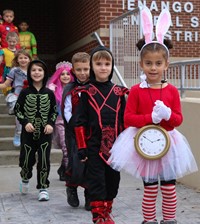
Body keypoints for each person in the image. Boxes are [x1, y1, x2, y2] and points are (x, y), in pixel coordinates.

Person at [108, 7, 198, 224]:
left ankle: (169, 220)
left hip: (168, 144)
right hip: (145, 143)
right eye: (148, 63)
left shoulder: (171, 91)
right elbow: (129, 118)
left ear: (166, 64)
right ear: (142, 64)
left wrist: (167, 115)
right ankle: (148, 220)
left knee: (168, 187)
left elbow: (177, 120)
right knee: (149, 190)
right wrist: (152, 118)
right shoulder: (137, 90)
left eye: (158, 63)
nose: (153, 68)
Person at [73, 46, 129, 223]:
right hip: (94, 148)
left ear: (112, 66)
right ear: (92, 66)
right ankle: (99, 217)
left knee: (113, 183)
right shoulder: (85, 92)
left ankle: (107, 212)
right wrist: (82, 148)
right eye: (98, 64)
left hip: (116, 149)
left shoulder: (120, 93)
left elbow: (125, 121)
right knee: (97, 183)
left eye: (107, 63)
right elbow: (79, 122)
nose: (103, 67)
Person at [14, 59, 57, 201]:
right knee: (27, 159)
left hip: (45, 132)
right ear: (29, 73)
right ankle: (25, 177)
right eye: (33, 70)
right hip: (28, 133)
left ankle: (43, 187)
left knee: (44, 160)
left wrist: (51, 123)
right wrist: (25, 122)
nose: (37, 72)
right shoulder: (25, 93)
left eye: (40, 70)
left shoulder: (49, 93)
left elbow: (54, 111)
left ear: (45, 73)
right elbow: (18, 110)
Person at [62, 52, 91, 210]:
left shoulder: (93, 87)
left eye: (86, 69)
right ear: (73, 70)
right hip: (74, 132)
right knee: (76, 162)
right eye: (79, 69)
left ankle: (89, 194)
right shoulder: (69, 88)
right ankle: (71, 187)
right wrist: (74, 124)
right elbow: (67, 110)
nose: (82, 73)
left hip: (90, 132)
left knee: (91, 164)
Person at [47, 61, 74, 181]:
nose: (65, 76)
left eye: (67, 74)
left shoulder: (74, 88)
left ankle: (63, 168)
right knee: (65, 146)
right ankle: (69, 172)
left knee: (71, 146)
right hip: (59, 121)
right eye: (62, 74)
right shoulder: (53, 89)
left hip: (72, 121)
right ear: (58, 76)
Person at [0, 49, 32, 147]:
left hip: (30, 97)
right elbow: (6, 84)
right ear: (17, 60)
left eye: (25, 58)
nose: (23, 60)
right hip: (18, 96)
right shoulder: (14, 70)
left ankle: (27, 136)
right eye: (20, 58)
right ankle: (18, 133)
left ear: (29, 59)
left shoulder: (33, 70)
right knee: (19, 115)